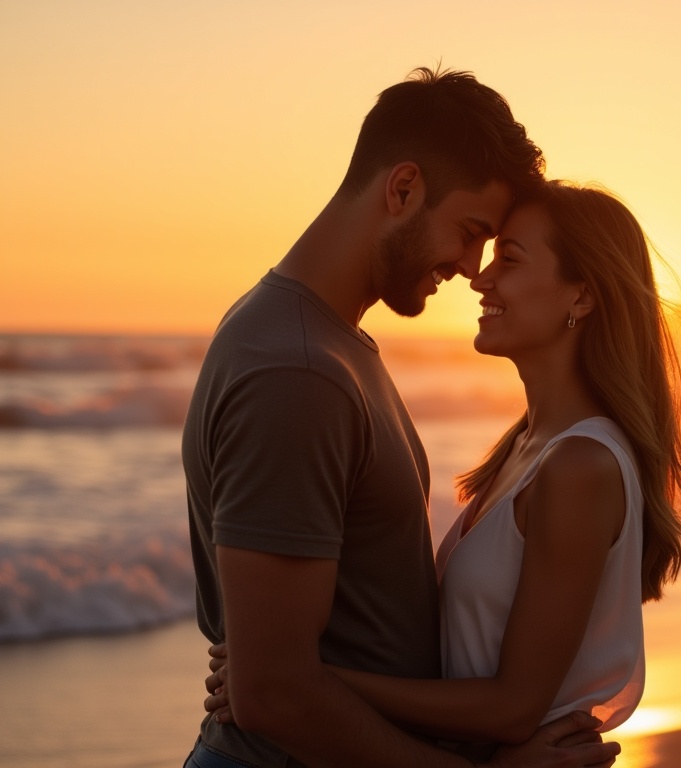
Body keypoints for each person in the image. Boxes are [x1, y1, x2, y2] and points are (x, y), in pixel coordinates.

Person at [181, 67, 620, 768]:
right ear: (403, 188)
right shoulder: (297, 371)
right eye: (471, 231)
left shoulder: (329, 345)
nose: (471, 268)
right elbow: (275, 694)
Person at [204, 180, 681, 760]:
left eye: (509, 260)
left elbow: (513, 706)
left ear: (582, 296)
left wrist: (303, 679)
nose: (481, 278)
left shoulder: (579, 465)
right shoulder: (526, 446)